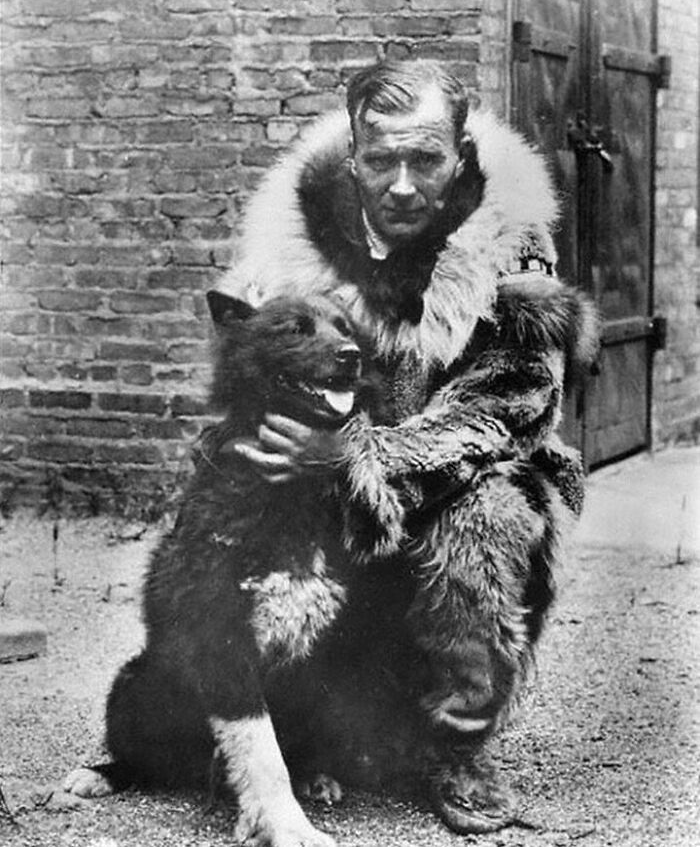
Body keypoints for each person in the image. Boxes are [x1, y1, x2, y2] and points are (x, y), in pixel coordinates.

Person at [214, 59, 598, 834]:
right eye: (381, 159)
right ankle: (278, 712)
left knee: (488, 515)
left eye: (425, 160)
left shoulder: (512, 243)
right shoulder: (290, 240)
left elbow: (511, 406)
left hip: (467, 472)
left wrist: (358, 458)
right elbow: (244, 385)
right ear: (353, 154)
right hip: (332, 470)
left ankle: (458, 742)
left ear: (459, 155)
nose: (399, 185)